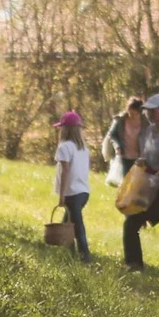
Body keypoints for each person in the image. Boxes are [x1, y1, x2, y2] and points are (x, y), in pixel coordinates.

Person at [122, 94, 159, 281]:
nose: (149, 113)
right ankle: (134, 264)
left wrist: (157, 177)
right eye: (147, 109)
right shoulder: (149, 131)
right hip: (150, 183)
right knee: (131, 223)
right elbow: (148, 155)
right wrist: (142, 164)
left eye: (153, 109)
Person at [53, 111, 92, 263]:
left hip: (71, 193)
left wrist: (61, 195)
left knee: (77, 227)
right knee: (67, 225)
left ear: (65, 130)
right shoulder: (83, 149)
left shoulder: (64, 147)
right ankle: (68, 256)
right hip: (83, 192)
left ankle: (85, 257)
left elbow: (65, 172)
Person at [102, 97, 148, 176]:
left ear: (140, 112)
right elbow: (112, 134)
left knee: (138, 185)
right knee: (125, 183)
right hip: (124, 156)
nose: (131, 116)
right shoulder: (120, 120)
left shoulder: (146, 122)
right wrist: (117, 146)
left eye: (134, 114)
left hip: (140, 157)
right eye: (130, 113)